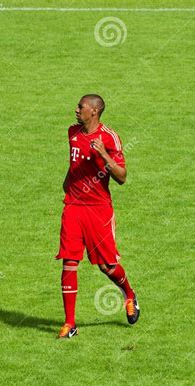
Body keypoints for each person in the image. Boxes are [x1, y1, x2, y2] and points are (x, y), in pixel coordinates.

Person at [56, 94, 139, 338]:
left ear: (94, 111)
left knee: (107, 265)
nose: (76, 109)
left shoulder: (109, 138)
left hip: (98, 208)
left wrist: (103, 154)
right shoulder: (72, 132)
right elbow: (72, 166)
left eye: (80, 106)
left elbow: (122, 177)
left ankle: (130, 295)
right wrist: (68, 185)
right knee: (69, 262)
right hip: (72, 206)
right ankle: (70, 324)